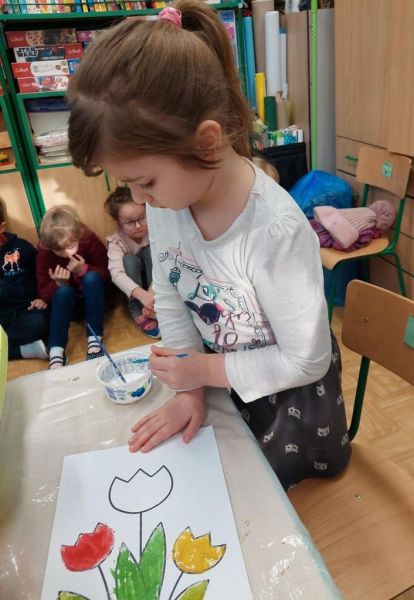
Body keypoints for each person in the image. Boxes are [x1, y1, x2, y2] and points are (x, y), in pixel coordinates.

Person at [67, 0, 351, 490]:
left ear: (205, 143)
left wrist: (203, 368)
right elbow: (171, 290)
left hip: (292, 399)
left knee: (278, 500)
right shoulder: (167, 203)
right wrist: (190, 387)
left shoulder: (275, 230)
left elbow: (306, 360)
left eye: (146, 181)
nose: (139, 199)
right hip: (224, 381)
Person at [37, 205, 111, 369]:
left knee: (91, 278)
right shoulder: (45, 253)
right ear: (49, 246)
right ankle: (56, 350)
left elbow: (108, 273)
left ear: (78, 235)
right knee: (63, 291)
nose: (66, 253)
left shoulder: (88, 239)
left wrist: (84, 270)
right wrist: (57, 284)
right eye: (58, 250)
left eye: (70, 246)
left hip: (98, 301)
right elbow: (43, 294)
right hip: (72, 309)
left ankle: (95, 339)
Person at [105, 186, 160, 339]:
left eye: (142, 218)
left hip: (155, 284)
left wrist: (152, 292)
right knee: (129, 260)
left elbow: (163, 262)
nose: (138, 226)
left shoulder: (154, 230)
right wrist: (142, 296)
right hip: (135, 289)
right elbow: (116, 275)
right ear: (118, 222)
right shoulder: (116, 242)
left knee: (151, 252)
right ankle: (136, 309)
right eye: (129, 222)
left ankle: (155, 303)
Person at [0, 197, 49, 360]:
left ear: (1, 227)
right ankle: (23, 351)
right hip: (2, 317)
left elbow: (42, 273)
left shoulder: (23, 247)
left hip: (26, 311)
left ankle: (11, 349)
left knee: (40, 323)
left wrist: (42, 298)